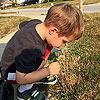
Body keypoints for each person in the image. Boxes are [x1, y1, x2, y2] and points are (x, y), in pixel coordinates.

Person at [0, 3, 84, 100]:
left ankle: (37, 75)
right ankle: (24, 91)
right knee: (38, 61)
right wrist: (47, 71)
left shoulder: (37, 23)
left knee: (46, 48)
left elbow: (20, 26)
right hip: (11, 73)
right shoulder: (29, 47)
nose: (64, 45)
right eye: (64, 41)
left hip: (19, 64)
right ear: (52, 31)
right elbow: (21, 78)